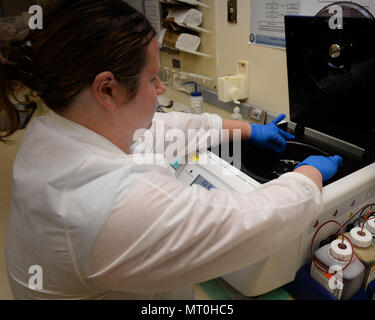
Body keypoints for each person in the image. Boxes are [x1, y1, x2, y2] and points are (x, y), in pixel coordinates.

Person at [1, 0, 343, 300]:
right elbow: (250, 223)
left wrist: (249, 129)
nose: (162, 87)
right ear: (107, 90)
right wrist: (308, 175)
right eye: (152, 79)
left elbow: (163, 129)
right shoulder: (108, 204)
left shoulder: (55, 128)